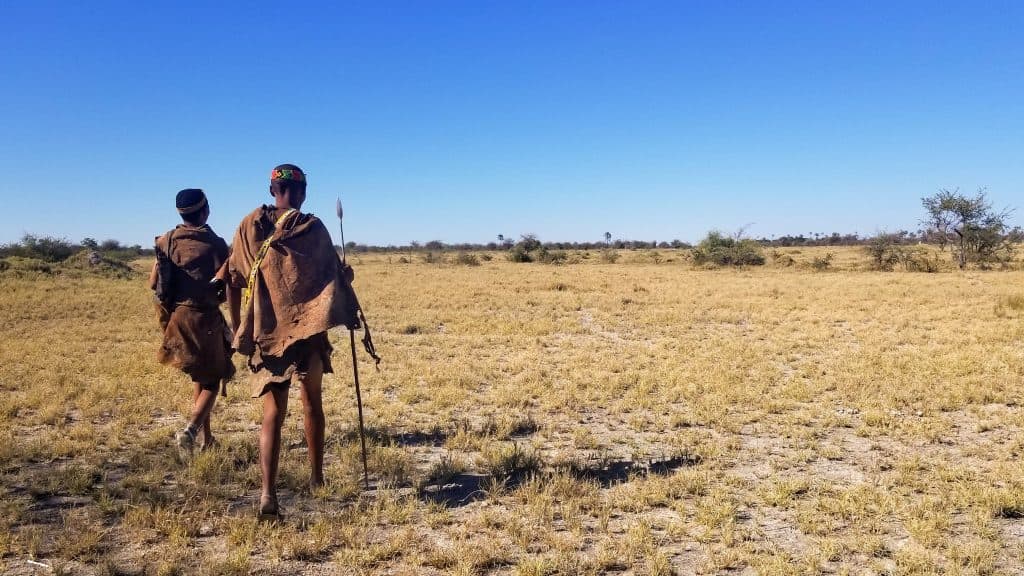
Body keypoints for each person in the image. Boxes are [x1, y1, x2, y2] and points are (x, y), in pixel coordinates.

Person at [226, 164, 356, 519]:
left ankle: (268, 494)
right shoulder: (312, 228)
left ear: (272, 190)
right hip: (306, 333)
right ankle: (317, 478)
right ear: (303, 192)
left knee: (272, 413)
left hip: (265, 334)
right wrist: (345, 276)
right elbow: (330, 278)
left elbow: (232, 277)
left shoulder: (248, 226)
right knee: (312, 401)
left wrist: (238, 326)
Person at [150, 188, 235, 456]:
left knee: (200, 375)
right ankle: (191, 430)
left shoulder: (166, 241)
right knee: (215, 378)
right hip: (205, 318)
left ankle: (206, 439)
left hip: (177, 318)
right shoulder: (216, 245)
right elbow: (229, 282)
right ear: (206, 210)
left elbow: (153, 283)